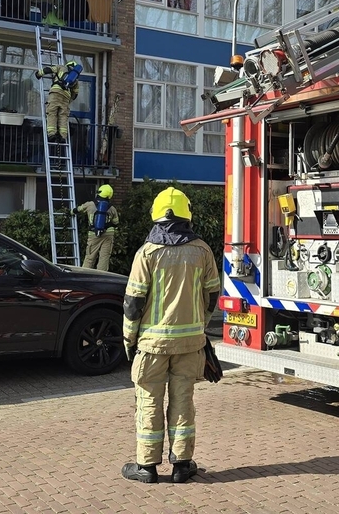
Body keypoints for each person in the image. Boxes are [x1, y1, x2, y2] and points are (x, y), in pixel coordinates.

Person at [122, 186, 221, 485]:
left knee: (149, 402)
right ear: (186, 215)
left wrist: (129, 341)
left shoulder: (147, 253)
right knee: (183, 402)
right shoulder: (202, 250)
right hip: (190, 345)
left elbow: (133, 304)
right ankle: (182, 466)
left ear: (156, 216)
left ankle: (146, 467)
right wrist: (199, 328)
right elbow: (211, 296)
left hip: (151, 345)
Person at [72, 184, 120, 271]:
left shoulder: (89, 205)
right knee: (104, 259)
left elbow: (78, 209)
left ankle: (84, 276)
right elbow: (116, 222)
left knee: (90, 258)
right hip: (108, 235)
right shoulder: (112, 208)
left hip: (93, 234)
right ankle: (102, 279)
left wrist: (71, 212)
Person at [34, 60, 82, 143]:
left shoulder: (62, 67)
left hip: (56, 92)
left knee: (52, 112)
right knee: (63, 116)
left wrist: (39, 74)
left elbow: (49, 70)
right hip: (66, 97)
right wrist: (68, 101)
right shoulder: (76, 80)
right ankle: (63, 136)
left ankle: (51, 134)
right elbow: (75, 94)